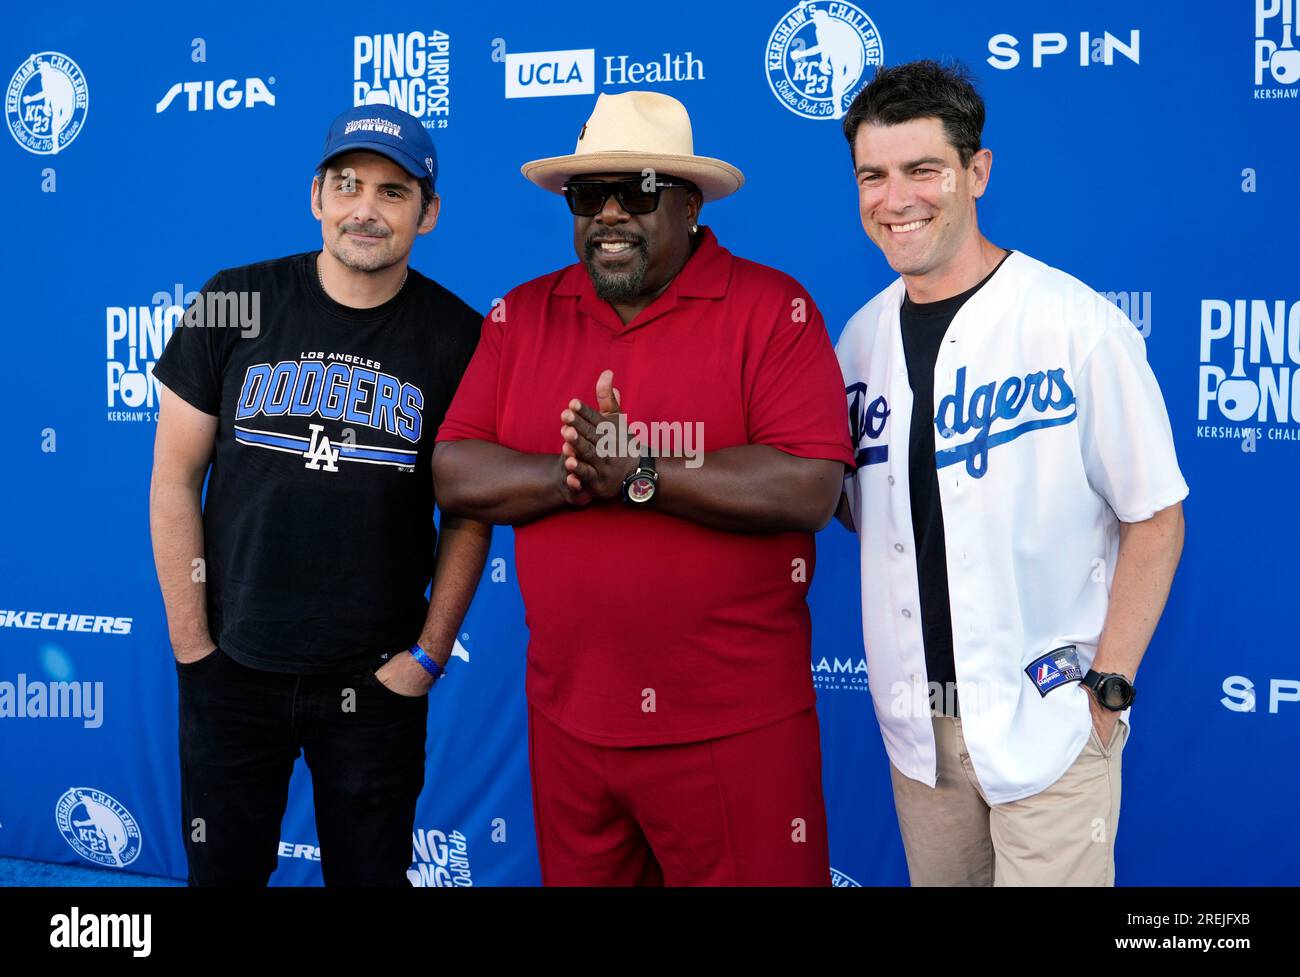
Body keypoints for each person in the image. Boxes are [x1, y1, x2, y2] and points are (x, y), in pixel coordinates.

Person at [433, 91, 854, 885]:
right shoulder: (520, 314)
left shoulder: (774, 308)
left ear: (689, 204)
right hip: (570, 728)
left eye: (641, 191)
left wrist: (642, 473)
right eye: (591, 196)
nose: (612, 214)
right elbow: (455, 468)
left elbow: (807, 484)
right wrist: (576, 475)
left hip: (735, 732)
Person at [834, 61, 1188, 886]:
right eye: (874, 176)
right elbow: (868, 511)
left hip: (1051, 720)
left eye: (924, 170)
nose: (897, 199)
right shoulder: (857, 343)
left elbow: (1156, 516)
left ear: (976, 172)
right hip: (924, 737)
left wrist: (1109, 690)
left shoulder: (1075, 325)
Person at [149, 104, 490, 886]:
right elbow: (173, 477)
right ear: (317, 196)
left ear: (428, 213)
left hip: (375, 679)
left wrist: (426, 656)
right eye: (347, 184)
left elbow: (470, 511)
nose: (364, 208)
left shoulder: (460, 338)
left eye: (393, 191)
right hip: (231, 665)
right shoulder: (232, 301)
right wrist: (192, 646)